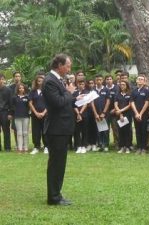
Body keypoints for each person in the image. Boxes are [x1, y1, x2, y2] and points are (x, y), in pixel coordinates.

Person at [42, 53, 82, 206]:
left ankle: (56, 193)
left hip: (62, 128)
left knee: (59, 164)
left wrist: (74, 99)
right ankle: (53, 197)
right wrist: (69, 93)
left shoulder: (57, 80)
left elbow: (64, 101)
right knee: (56, 164)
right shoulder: (49, 81)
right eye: (68, 65)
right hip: (56, 129)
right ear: (59, 66)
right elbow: (58, 102)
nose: (69, 68)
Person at [130, 73, 149, 155]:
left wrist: (140, 113)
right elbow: (131, 102)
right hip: (135, 114)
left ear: (144, 82)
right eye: (138, 79)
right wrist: (136, 113)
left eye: (142, 79)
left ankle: (144, 148)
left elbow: (147, 103)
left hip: (144, 114)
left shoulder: (146, 91)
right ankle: (138, 147)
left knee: (143, 131)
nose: (140, 80)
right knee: (137, 130)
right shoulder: (134, 91)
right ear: (136, 80)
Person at [29, 74, 48, 154]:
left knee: (45, 130)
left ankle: (46, 146)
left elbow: (49, 103)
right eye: (39, 81)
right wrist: (36, 113)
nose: (40, 82)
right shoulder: (32, 91)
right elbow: (30, 103)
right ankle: (36, 146)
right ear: (36, 82)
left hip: (45, 114)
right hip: (35, 115)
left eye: (42, 81)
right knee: (36, 131)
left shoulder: (47, 91)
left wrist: (43, 113)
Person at [12, 83, 30, 153]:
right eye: (19, 88)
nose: (21, 89)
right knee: (19, 133)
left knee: (25, 133)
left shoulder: (27, 97)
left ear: (24, 89)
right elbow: (12, 107)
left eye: (22, 88)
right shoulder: (14, 97)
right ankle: (20, 148)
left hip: (26, 117)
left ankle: (26, 147)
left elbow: (30, 106)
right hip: (17, 117)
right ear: (17, 89)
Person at [0, 73, 13, 152]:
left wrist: (10, 113)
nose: (0, 80)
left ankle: (7, 147)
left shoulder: (8, 90)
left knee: (6, 130)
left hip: (5, 112)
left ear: (4, 80)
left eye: (2, 79)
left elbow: (11, 102)